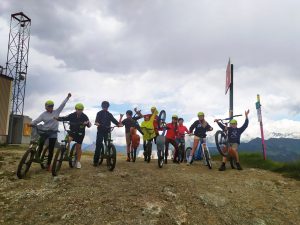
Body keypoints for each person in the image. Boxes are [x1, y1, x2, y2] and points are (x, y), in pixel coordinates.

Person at [31, 93, 71, 171]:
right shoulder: (43, 114)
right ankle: (38, 157)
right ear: (46, 107)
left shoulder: (56, 112)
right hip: (45, 131)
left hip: (53, 132)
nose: (51, 107)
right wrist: (31, 124)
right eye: (49, 106)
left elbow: (62, 105)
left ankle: (49, 164)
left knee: (51, 149)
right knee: (40, 143)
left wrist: (67, 97)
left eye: (52, 106)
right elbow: (37, 120)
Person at [56, 103, 91, 169]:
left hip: (80, 133)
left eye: (81, 110)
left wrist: (87, 123)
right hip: (72, 132)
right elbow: (65, 117)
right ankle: (66, 153)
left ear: (82, 110)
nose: (80, 111)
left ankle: (78, 162)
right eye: (78, 109)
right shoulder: (72, 115)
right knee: (67, 140)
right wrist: (58, 118)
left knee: (78, 147)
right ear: (76, 109)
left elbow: (89, 124)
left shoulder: (84, 116)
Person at [93, 101, 122, 166]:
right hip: (100, 131)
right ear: (102, 106)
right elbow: (96, 121)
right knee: (99, 145)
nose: (105, 107)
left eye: (106, 106)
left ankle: (108, 159)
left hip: (108, 131)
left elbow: (114, 121)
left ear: (107, 107)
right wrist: (97, 123)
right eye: (104, 106)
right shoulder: (99, 113)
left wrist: (118, 124)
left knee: (108, 144)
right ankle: (95, 161)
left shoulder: (109, 114)